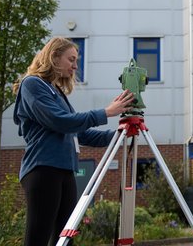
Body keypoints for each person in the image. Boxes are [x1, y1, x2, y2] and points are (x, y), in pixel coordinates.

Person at [12, 37, 135, 246]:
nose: (75, 66)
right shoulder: (32, 84)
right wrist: (105, 112)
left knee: (65, 238)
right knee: (38, 237)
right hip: (43, 169)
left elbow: (80, 133)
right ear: (54, 57)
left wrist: (120, 135)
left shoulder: (56, 92)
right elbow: (60, 121)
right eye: (71, 59)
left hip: (65, 171)